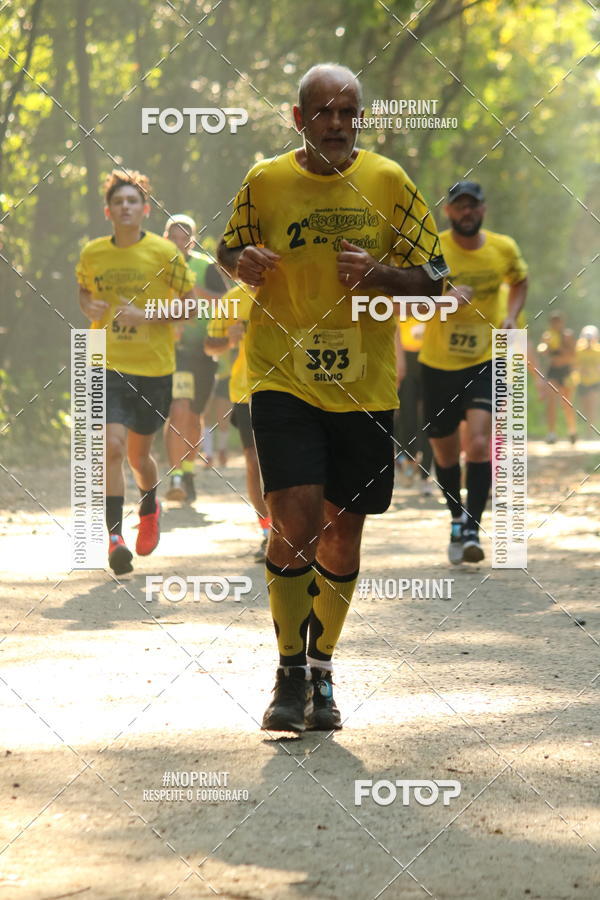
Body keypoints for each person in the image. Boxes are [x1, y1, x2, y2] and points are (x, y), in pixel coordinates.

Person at [217, 63, 448, 733]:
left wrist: (381, 274)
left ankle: (322, 668)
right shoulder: (265, 181)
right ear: (299, 119)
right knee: (294, 522)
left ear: (360, 120)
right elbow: (228, 250)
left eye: (348, 113)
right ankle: (288, 674)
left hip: (363, 385)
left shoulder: (389, 181)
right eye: (323, 111)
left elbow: (437, 275)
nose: (337, 123)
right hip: (281, 375)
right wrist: (240, 263)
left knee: (342, 531)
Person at [76, 170, 195, 575]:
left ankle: (149, 508)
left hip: (154, 367)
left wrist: (147, 315)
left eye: (133, 201)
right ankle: (114, 539)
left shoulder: (164, 253)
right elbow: (84, 292)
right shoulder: (93, 253)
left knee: (139, 457)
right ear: (107, 211)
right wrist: (87, 305)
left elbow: (191, 306)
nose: (125, 206)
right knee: (110, 447)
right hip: (105, 360)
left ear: (145, 210)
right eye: (118, 202)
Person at [419, 181, 528, 565]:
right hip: (437, 363)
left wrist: (511, 316)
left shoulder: (503, 248)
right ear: (448, 211)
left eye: (473, 206)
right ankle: (456, 517)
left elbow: (519, 281)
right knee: (444, 451)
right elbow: (415, 301)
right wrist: (444, 301)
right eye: (460, 206)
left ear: (483, 209)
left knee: (479, 443)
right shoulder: (435, 251)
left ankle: (472, 528)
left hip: (486, 358)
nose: (467, 212)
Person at [163, 214, 227, 503]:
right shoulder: (157, 264)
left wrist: (197, 292)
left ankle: (187, 472)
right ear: (166, 239)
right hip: (171, 352)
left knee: (194, 415)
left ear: (192, 240)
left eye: (184, 237)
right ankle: (176, 475)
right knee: (179, 408)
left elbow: (227, 302)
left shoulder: (205, 266)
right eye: (174, 237)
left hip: (202, 351)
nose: (179, 243)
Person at [205, 285, 272, 557]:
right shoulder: (233, 299)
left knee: (285, 462)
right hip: (247, 391)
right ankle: (268, 532)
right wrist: (228, 341)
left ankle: (294, 531)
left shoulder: (291, 287)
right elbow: (210, 345)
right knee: (254, 461)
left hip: (292, 389)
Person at [394, 316, 433, 494]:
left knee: (429, 418)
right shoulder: (400, 303)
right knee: (407, 416)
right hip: (406, 358)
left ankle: (425, 475)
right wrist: (398, 359)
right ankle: (408, 463)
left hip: (431, 358)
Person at [537, 311, 577, 444]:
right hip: (553, 371)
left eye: (558, 321)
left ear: (562, 322)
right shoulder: (548, 336)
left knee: (567, 403)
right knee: (551, 402)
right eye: (553, 322)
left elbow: (573, 354)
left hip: (566, 371)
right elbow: (542, 349)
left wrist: (560, 349)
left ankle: (572, 430)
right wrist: (546, 348)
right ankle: (551, 433)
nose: (555, 324)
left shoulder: (568, 335)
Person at [575, 325, 600, 437]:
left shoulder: (598, 350)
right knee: (584, 408)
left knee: (593, 406)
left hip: (595, 381)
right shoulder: (579, 350)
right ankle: (587, 430)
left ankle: (591, 432)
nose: (589, 341)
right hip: (582, 381)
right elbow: (575, 365)